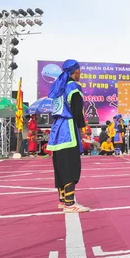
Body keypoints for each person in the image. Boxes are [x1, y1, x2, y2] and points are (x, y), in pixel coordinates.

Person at [46, 59, 90, 213]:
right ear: (76, 71)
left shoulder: (59, 88)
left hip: (57, 131)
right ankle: (70, 204)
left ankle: (63, 200)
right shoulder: (73, 87)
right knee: (71, 166)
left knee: (60, 166)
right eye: (80, 70)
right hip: (68, 130)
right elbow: (77, 112)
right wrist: (83, 129)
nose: (80, 73)